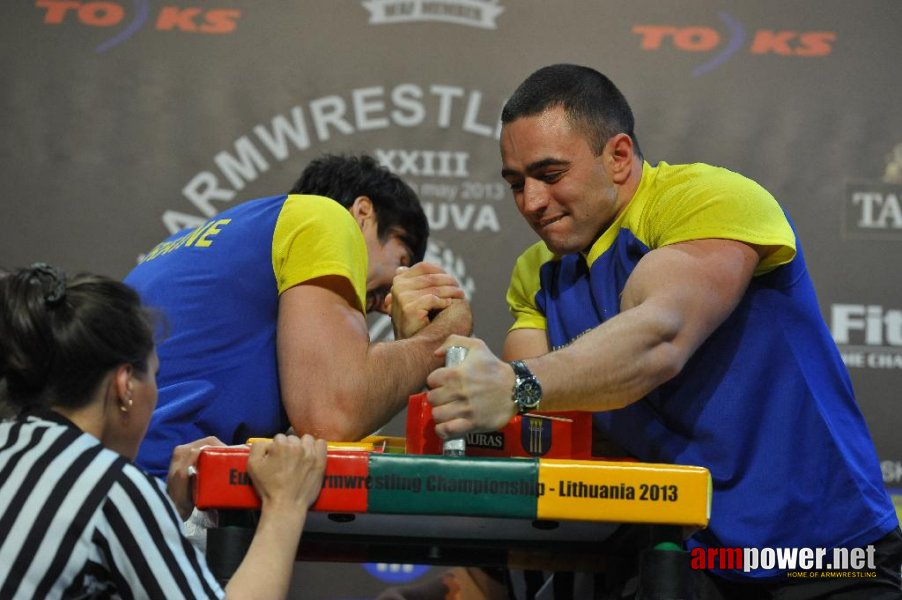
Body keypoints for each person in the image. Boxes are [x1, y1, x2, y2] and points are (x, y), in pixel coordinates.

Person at [425, 64, 902, 598]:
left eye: (551, 174)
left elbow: (658, 339)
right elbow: (550, 431)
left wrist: (515, 386)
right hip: (688, 557)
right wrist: (438, 341)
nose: (531, 202)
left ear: (620, 157)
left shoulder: (706, 199)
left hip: (822, 552)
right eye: (517, 183)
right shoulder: (536, 273)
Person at [126, 153, 472, 478]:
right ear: (362, 213)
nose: (387, 301)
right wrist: (446, 330)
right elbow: (332, 416)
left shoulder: (186, 244)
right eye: (402, 260)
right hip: (162, 489)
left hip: (105, 474)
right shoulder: (326, 217)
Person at [0, 263, 327, 599]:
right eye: (155, 374)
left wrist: (167, 513)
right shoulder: (112, 487)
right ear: (125, 385)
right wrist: (285, 502)